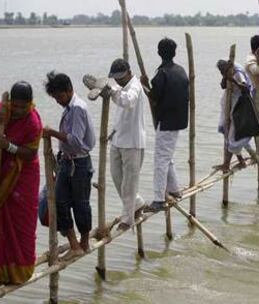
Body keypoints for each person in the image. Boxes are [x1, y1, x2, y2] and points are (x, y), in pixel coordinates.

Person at [0, 81, 43, 285]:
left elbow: (31, 152)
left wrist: (9, 146)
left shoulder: (33, 122)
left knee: (22, 222)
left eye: (24, 107)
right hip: (0, 175)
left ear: (30, 104)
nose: (19, 111)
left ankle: (20, 271)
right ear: (10, 102)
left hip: (23, 176)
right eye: (15, 106)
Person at [43, 72, 95, 259]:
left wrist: (52, 133)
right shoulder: (69, 108)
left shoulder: (77, 108)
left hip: (79, 162)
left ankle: (84, 243)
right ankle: (74, 245)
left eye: (59, 96)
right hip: (67, 161)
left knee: (81, 204)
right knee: (60, 201)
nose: (58, 100)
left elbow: (75, 141)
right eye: (55, 98)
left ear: (69, 90)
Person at [141, 37, 189, 213]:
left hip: (167, 121)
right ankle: (174, 189)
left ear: (159, 53)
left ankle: (158, 199)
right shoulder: (181, 71)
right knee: (167, 156)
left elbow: (153, 97)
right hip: (178, 121)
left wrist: (145, 86)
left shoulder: (162, 74)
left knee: (160, 160)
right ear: (174, 53)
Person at [101, 58, 146, 231]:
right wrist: (112, 132)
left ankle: (128, 219)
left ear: (128, 72)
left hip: (133, 143)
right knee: (117, 177)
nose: (118, 80)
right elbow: (121, 115)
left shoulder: (135, 87)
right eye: (115, 78)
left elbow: (128, 101)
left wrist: (111, 91)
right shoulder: (120, 89)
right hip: (118, 140)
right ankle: (137, 203)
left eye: (120, 76)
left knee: (129, 183)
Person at [216, 60, 253, 170]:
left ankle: (226, 165)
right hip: (229, 105)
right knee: (227, 133)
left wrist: (233, 80)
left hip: (238, 107)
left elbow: (245, 89)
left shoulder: (237, 74)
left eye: (223, 71)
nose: (221, 73)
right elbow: (223, 86)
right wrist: (225, 77)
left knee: (233, 136)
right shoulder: (226, 74)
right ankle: (241, 160)